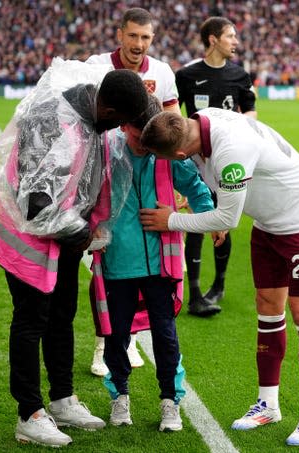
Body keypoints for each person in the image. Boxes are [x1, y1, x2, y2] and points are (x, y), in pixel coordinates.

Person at [139, 108, 299, 447]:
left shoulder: (231, 152)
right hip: (269, 221)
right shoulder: (202, 121)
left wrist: (171, 220)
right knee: (268, 307)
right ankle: (268, 404)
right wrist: (207, 210)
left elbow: (227, 219)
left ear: (181, 154)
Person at [0, 60, 149, 448]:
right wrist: (80, 231)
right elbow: (37, 206)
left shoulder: (91, 110)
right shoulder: (53, 123)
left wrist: (86, 228)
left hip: (62, 239)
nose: (117, 130)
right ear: (108, 110)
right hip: (26, 236)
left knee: (62, 312)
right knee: (31, 320)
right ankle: (29, 413)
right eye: (119, 121)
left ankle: (61, 399)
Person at [92, 95, 214, 431]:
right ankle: (119, 397)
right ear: (124, 125)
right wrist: (92, 227)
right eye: (136, 133)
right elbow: (84, 194)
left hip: (161, 262)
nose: (143, 141)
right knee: (115, 335)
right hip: (116, 260)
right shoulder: (107, 152)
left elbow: (196, 187)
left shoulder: (164, 149)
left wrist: (210, 219)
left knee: (165, 334)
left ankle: (169, 401)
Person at [85, 6, 180, 377]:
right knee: (103, 269)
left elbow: (172, 124)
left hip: (145, 180)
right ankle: (101, 346)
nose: (138, 44)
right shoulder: (96, 66)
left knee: (144, 268)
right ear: (120, 34)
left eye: (145, 38)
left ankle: (125, 340)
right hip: (103, 180)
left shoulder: (162, 73)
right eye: (133, 36)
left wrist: (177, 182)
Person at [175, 16, 257, 317]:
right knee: (198, 220)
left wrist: (231, 132)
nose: (235, 41)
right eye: (230, 36)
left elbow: (251, 114)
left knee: (225, 219)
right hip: (196, 161)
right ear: (213, 39)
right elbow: (176, 117)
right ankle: (195, 292)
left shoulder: (240, 75)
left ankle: (219, 284)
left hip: (225, 160)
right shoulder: (185, 75)